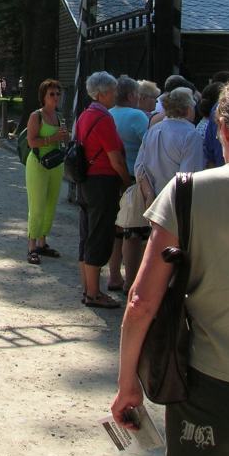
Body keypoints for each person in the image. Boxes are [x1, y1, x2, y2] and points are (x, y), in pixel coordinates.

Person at [111, 74, 229, 456]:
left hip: (215, 391)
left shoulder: (191, 193)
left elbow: (141, 302)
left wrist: (128, 386)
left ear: (224, 130)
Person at [76, 71, 132, 308]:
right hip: (102, 182)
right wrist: (127, 181)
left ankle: (88, 288)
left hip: (86, 180)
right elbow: (115, 158)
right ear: (102, 93)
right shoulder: (103, 118)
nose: (114, 94)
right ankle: (93, 293)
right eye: (111, 91)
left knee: (87, 234)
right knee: (99, 236)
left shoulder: (85, 115)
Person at [110, 76, 150, 292]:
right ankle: (130, 281)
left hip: (111, 177)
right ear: (132, 95)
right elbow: (150, 141)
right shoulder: (137, 116)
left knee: (116, 229)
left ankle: (114, 275)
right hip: (132, 179)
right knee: (132, 230)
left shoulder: (109, 114)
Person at [24, 79, 69, 264]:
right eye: (52, 94)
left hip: (55, 165)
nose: (56, 97)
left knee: (51, 204)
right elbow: (31, 142)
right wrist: (53, 138)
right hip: (38, 164)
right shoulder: (37, 116)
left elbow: (63, 141)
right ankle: (32, 246)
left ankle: (43, 242)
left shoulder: (59, 117)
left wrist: (66, 137)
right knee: (37, 205)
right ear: (43, 96)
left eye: (58, 94)